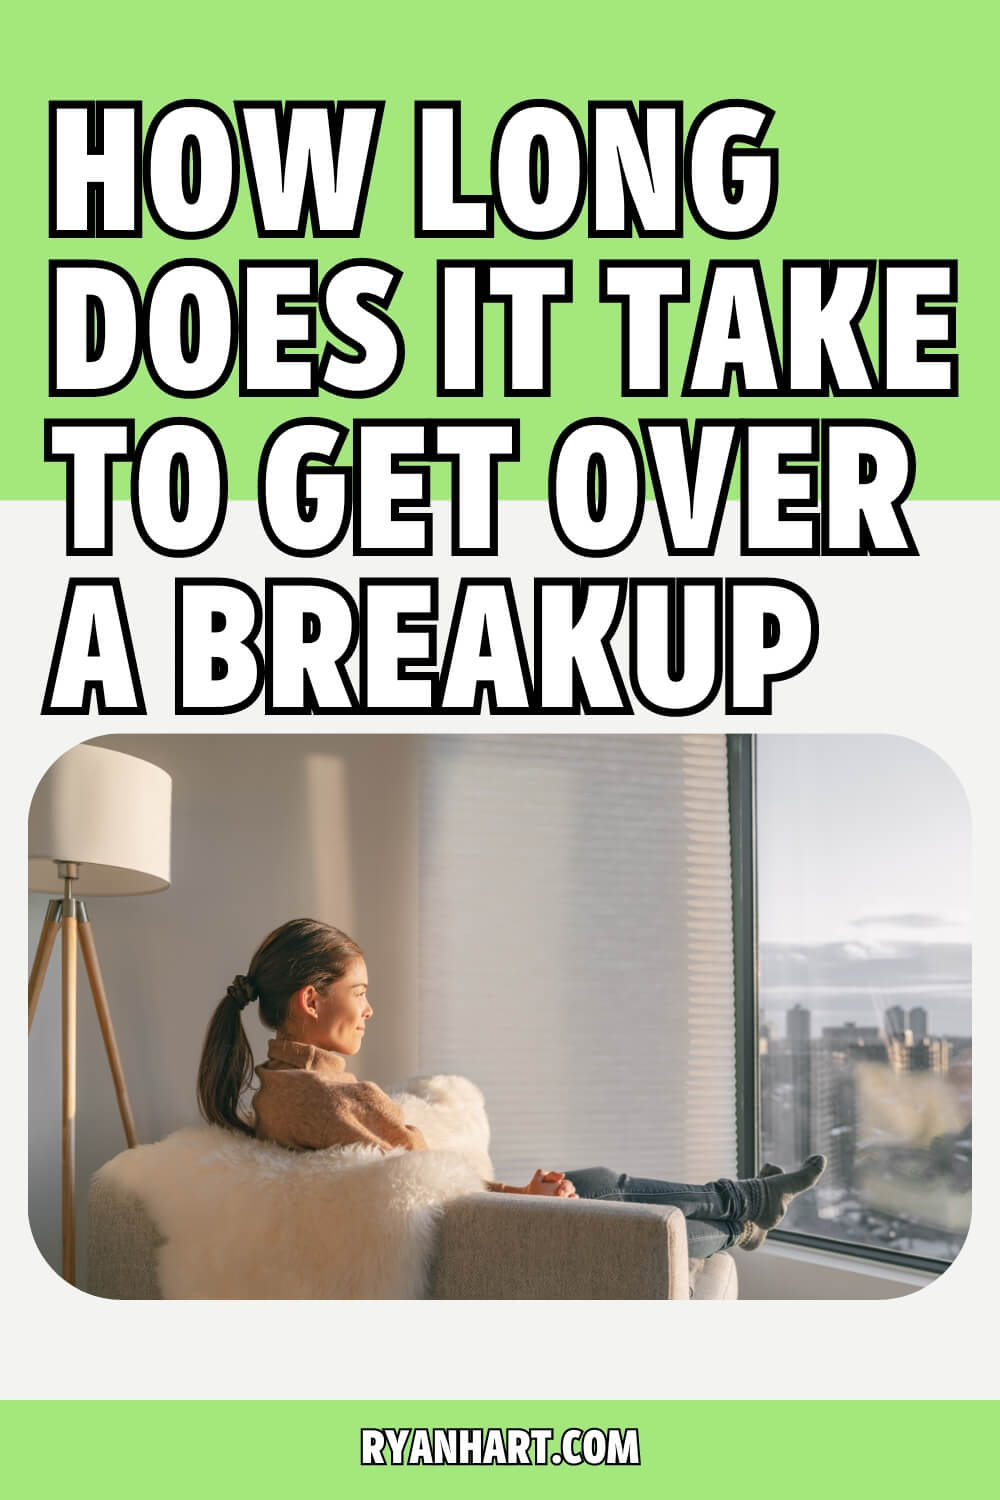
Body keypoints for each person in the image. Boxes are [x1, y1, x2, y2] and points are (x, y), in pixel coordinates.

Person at [197, 918, 826, 1258]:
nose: (369, 1009)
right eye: (358, 993)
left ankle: (746, 1197)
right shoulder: (338, 1099)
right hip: (471, 1239)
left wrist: (525, 1190)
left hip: (461, 1223)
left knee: (600, 1179)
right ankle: (745, 1216)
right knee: (643, 1225)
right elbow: (436, 1188)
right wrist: (525, 1196)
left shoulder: (275, 1090)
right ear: (311, 1000)